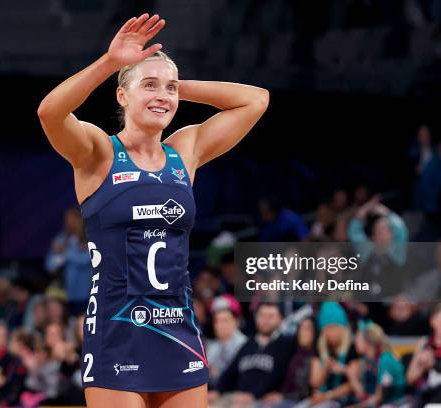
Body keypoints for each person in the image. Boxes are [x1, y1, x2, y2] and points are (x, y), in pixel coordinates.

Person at [37, 12, 269, 408]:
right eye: (148, 87)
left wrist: (173, 84)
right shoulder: (99, 151)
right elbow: (50, 113)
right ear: (122, 95)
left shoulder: (184, 151)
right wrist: (111, 64)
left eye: (169, 90)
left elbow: (256, 99)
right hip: (117, 334)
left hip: (177, 329)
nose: (162, 96)